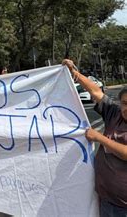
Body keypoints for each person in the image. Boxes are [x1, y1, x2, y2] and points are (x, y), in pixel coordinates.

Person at [63, 59, 127, 216]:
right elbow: (97, 92)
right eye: (125, 103)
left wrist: (99, 138)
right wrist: (74, 73)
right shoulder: (114, 113)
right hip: (106, 199)